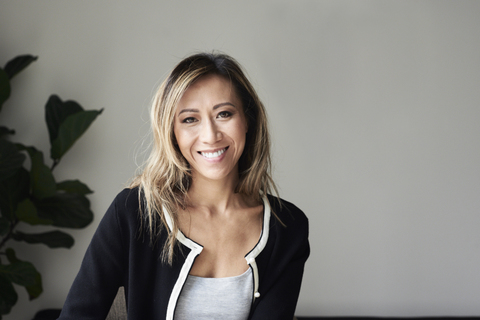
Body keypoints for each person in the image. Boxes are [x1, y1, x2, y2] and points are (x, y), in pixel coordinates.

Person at [58, 52, 309, 320]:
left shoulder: (286, 227)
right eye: (190, 119)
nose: (210, 136)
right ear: (172, 133)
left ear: (247, 120)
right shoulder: (134, 212)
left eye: (224, 114)